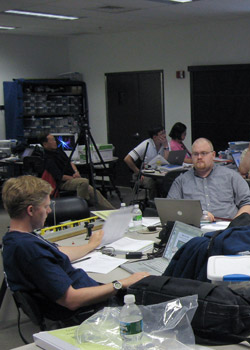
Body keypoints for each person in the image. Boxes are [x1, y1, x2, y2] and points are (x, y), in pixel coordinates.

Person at [1, 175, 148, 319]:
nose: (49, 211)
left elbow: (58, 252)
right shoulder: (30, 251)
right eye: (46, 206)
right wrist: (120, 283)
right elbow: (71, 300)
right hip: (92, 308)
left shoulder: (16, 238)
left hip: (88, 292)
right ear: (31, 210)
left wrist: (91, 245)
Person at [167, 138, 250, 221]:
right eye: (195, 154)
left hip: (227, 228)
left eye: (204, 153)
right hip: (195, 228)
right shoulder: (181, 181)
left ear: (213, 155)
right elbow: (170, 208)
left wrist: (235, 224)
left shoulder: (231, 176)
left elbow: (248, 203)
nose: (199, 157)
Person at [40, 133, 114, 210]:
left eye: (54, 139)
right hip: (63, 182)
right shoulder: (48, 159)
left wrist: (76, 172)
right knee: (83, 182)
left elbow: (70, 162)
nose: (55, 141)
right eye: (52, 140)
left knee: (94, 192)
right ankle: (79, 207)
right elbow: (59, 176)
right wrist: (73, 178)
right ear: (45, 144)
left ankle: (112, 211)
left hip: (73, 177)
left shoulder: (59, 151)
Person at [124, 126, 169, 198]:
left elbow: (167, 161)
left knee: (167, 181)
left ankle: (164, 202)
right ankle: (153, 204)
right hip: (145, 174)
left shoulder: (165, 144)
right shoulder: (146, 144)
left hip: (159, 173)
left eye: (165, 133)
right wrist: (138, 172)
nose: (165, 136)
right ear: (155, 137)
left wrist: (166, 147)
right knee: (152, 183)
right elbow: (127, 159)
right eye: (162, 134)